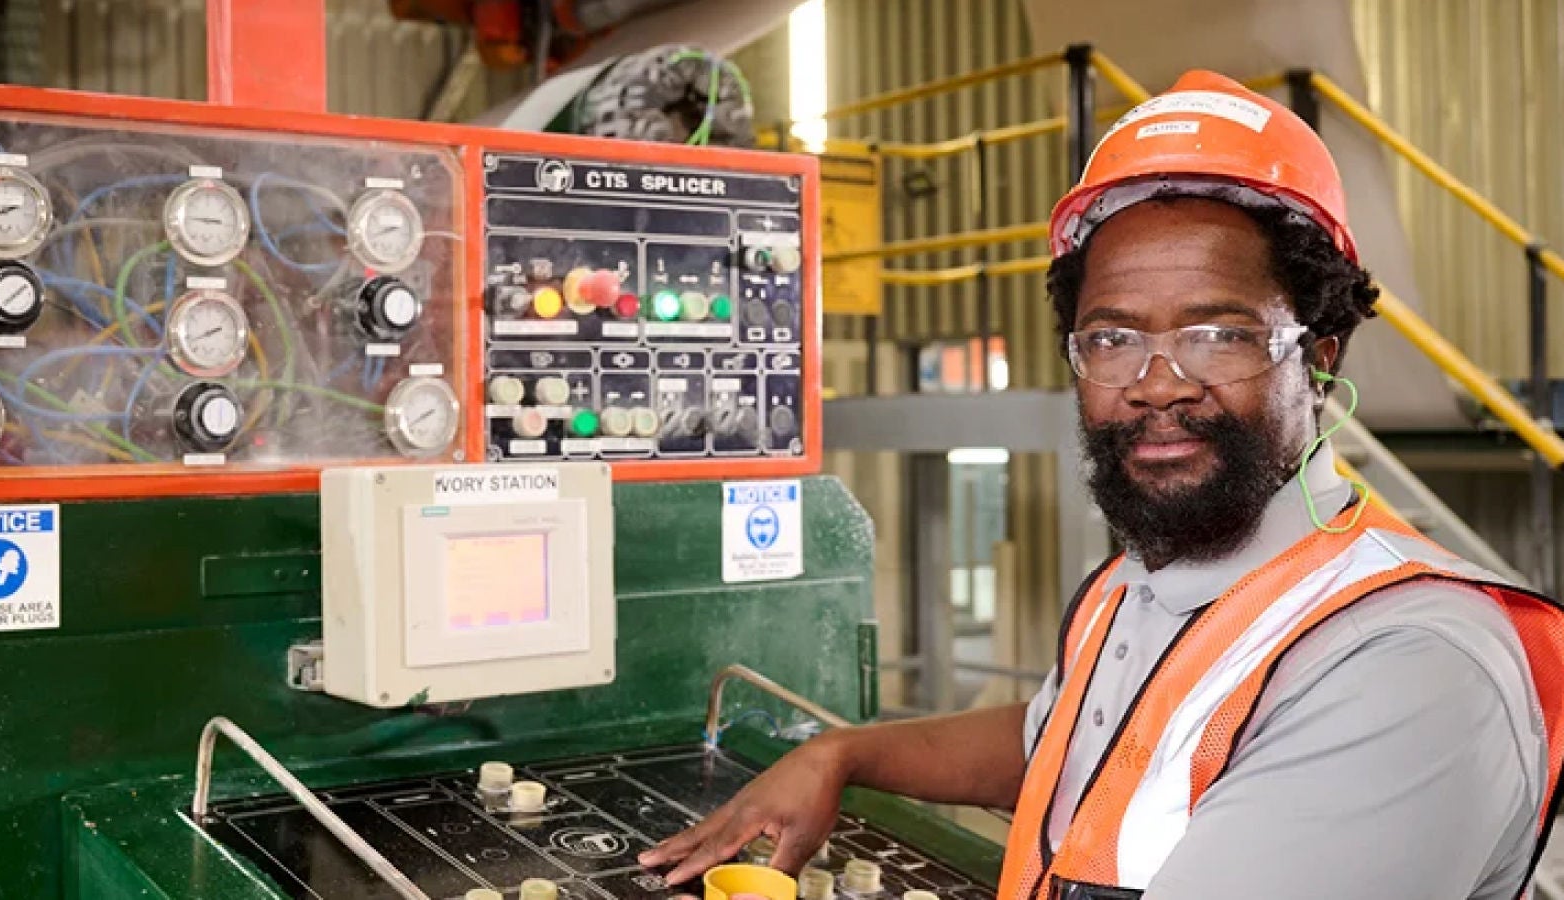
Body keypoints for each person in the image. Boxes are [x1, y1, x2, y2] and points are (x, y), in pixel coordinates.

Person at [640, 70, 1564, 900]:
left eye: (1217, 334)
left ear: (1318, 360)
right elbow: (1070, 739)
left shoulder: (1406, 667)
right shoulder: (1142, 584)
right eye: (1113, 337)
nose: (1156, 383)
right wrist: (843, 753)